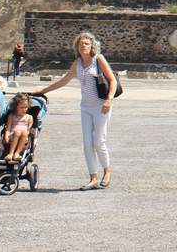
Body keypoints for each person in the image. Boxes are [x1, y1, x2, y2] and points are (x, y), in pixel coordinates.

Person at [34, 31, 116, 190]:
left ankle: (107, 171)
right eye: (80, 44)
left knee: (99, 141)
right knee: (87, 143)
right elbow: (63, 81)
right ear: (77, 47)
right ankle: (93, 177)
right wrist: (43, 91)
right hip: (85, 107)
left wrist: (109, 99)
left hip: (101, 106)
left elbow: (112, 80)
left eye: (86, 43)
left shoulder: (98, 59)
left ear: (92, 45)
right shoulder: (77, 64)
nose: (83, 46)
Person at [1, 93, 34, 162]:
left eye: (26, 107)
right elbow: (8, 127)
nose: (24, 109)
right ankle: (10, 153)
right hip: (12, 135)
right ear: (16, 107)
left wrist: (27, 137)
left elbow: (29, 130)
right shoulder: (12, 116)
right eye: (21, 107)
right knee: (18, 131)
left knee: (24, 132)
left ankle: (17, 153)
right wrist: (6, 135)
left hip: (23, 137)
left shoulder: (29, 117)